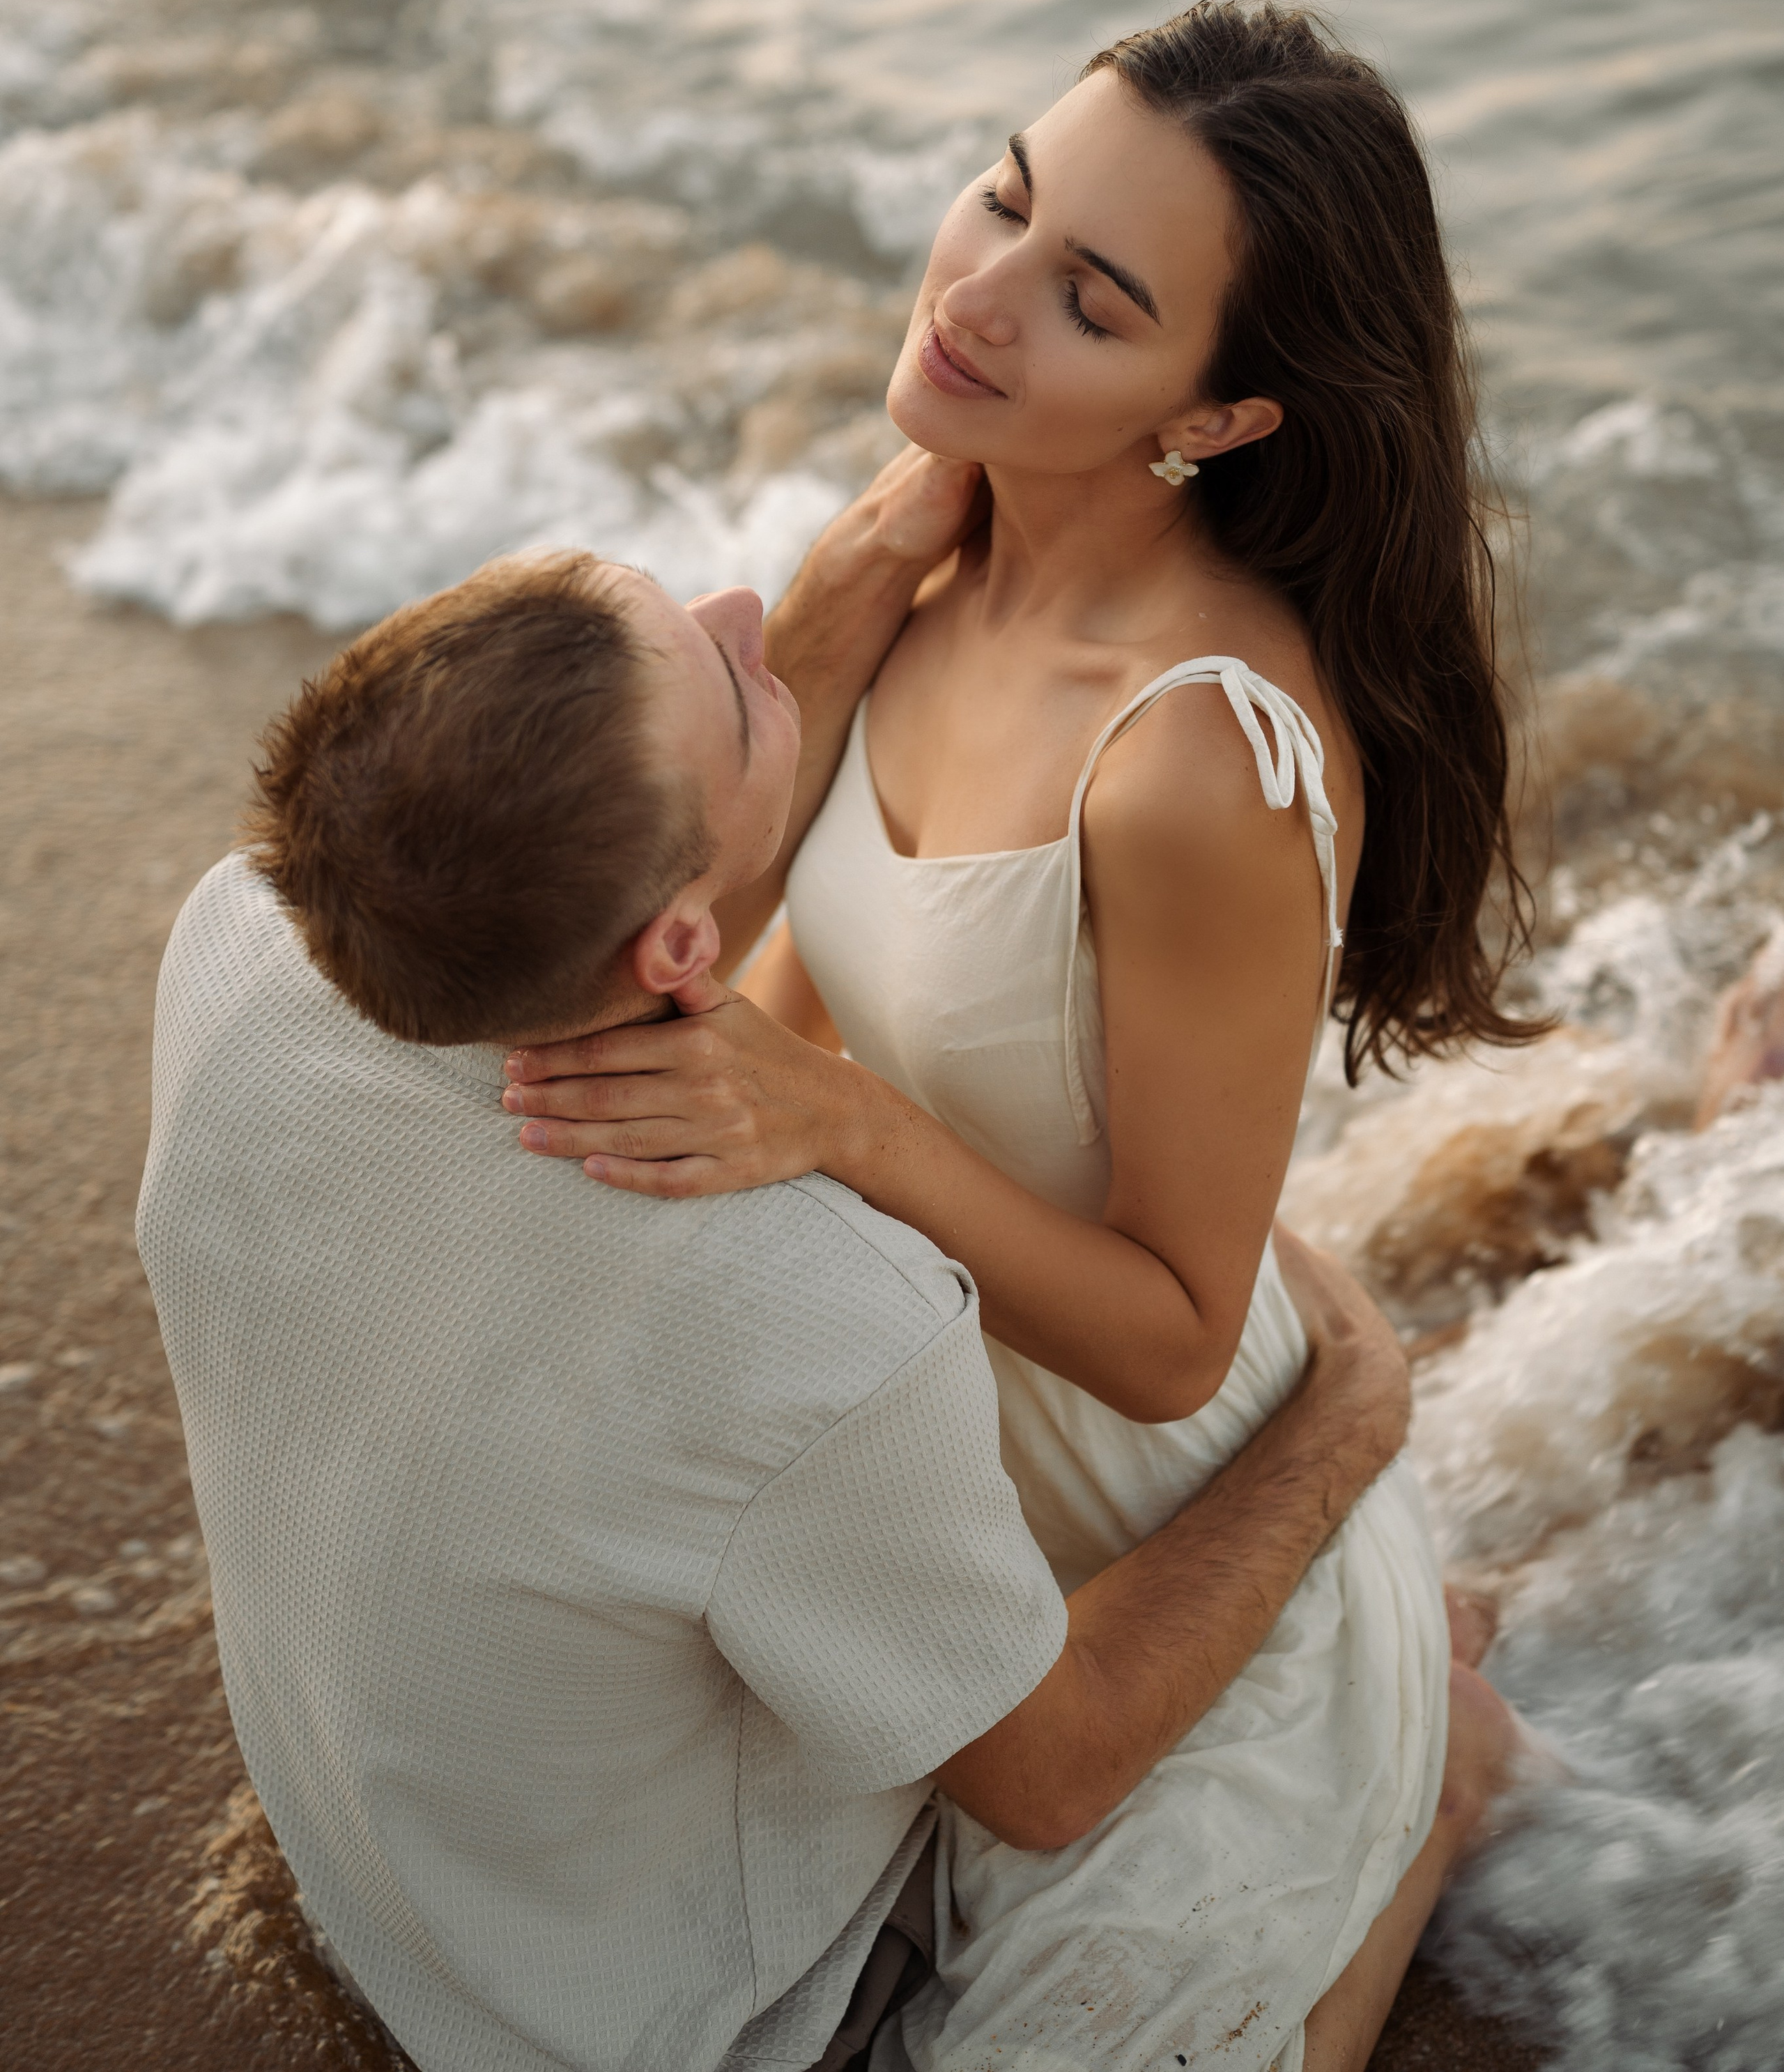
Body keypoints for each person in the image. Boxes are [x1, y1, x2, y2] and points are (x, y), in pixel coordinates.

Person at [138, 478, 1512, 2072]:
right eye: (728, 675)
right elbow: (1051, 1769)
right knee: (1373, 1744)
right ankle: (1427, 1807)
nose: (747, 611)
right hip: (656, 2010)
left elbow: (658, 927)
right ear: (670, 952)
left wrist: (835, 599)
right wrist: (1348, 1409)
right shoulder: (808, 1312)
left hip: (400, 1857)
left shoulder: (239, 945)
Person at [502, 2, 1541, 2071]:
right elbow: (738, 959)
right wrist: (841, 591)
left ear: (1222, 414)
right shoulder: (929, 536)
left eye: (1094, 296)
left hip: (1150, 1494)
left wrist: (838, 1130)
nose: (978, 294)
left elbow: (1172, 1328)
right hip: (919, 1463)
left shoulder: (1196, 765)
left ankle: (1411, 1750)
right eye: (1004, 190)